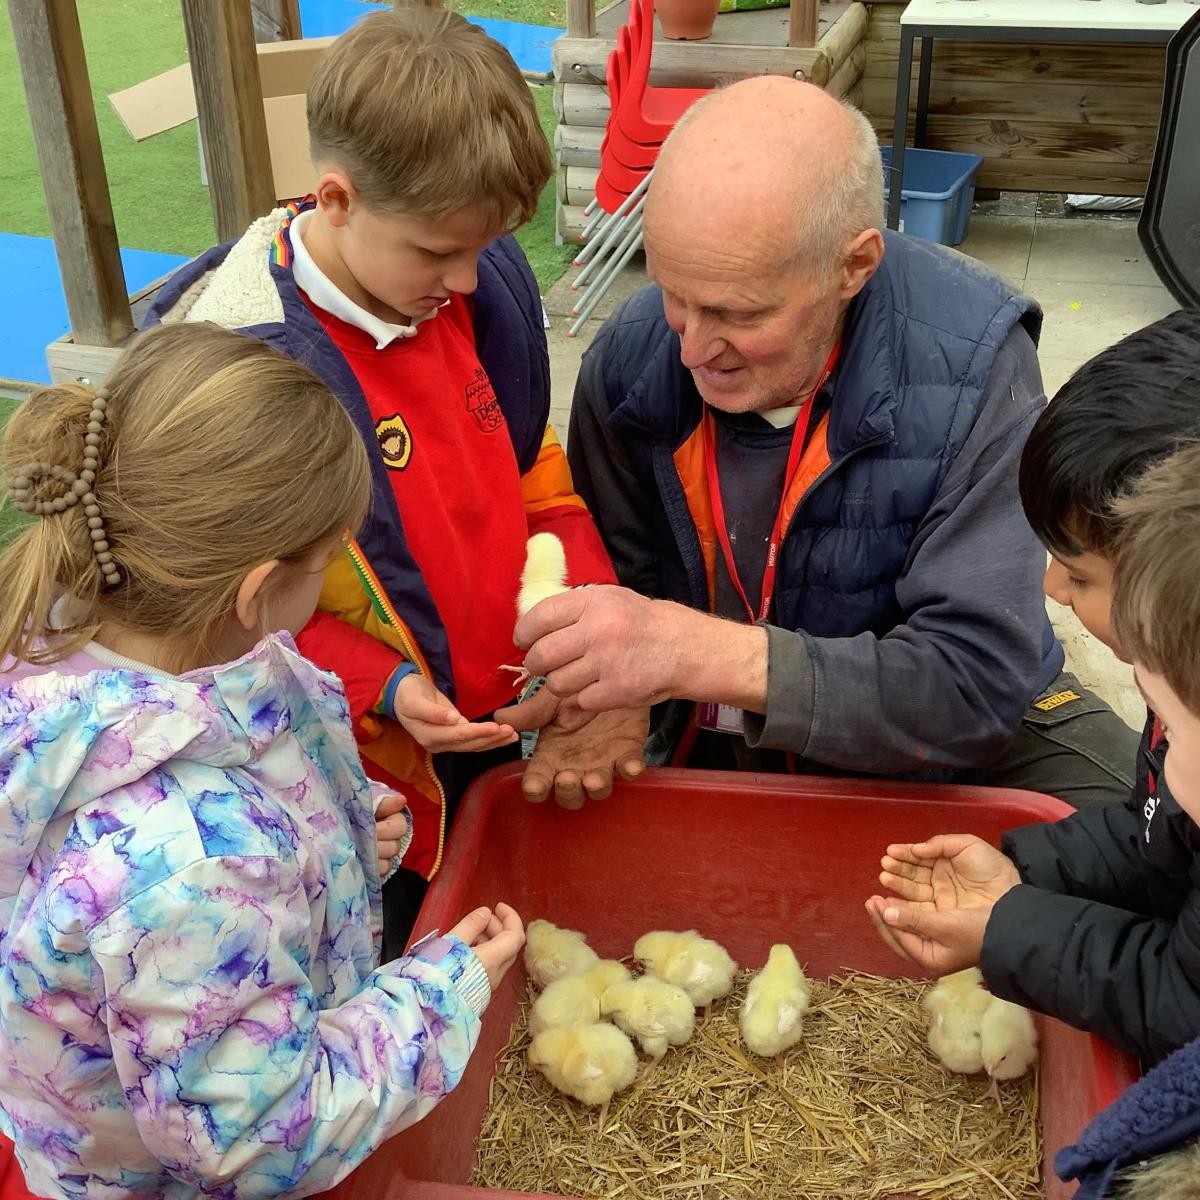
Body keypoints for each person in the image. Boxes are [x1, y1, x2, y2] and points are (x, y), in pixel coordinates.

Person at [146, 7, 648, 950]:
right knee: (387, 940)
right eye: (437, 252)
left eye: (484, 249)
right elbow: (214, 613)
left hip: (488, 721)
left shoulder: (472, 285)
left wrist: (585, 617)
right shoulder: (251, 372)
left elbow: (535, 474)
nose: (464, 282)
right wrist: (384, 687)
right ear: (335, 200)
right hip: (358, 773)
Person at [0, 324, 525, 1198]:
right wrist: (440, 994)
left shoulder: (63, 655)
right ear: (258, 591)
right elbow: (260, 1136)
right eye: (326, 564)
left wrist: (333, 844)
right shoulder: (196, 866)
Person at [516, 75, 1138, 807]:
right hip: (706, 718)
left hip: (940, 742)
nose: (692, 349)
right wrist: (605, 688)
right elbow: (616, 589)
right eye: (673, 293)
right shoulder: (631, 356)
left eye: (737, 313)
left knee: (1163, 838)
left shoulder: (974, 364)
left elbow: (974, 684)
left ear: (855, 266)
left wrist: (696, 653)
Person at [864, 313, 1200, 1071]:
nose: (1048, 589)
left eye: (1078, 575)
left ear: (1171, 579)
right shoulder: (1182, 687)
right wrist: (1027, 871)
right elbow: (1159, 837)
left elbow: (1183, 1005)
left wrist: (1007, 931)